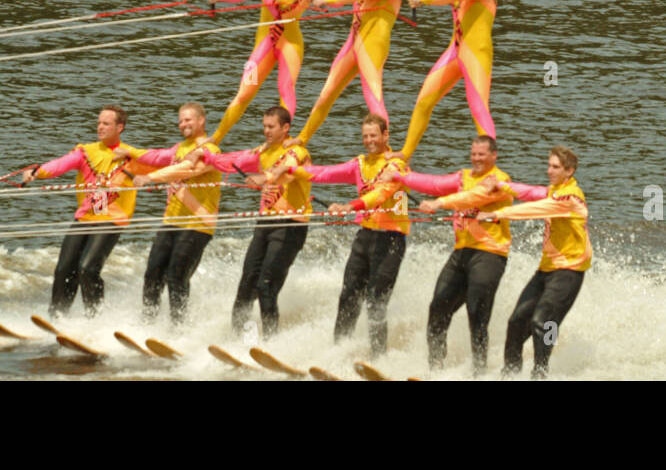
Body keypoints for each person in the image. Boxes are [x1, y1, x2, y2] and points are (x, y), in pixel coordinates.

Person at [184, 106, 313, 338]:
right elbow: (232, 161)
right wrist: (204, 155)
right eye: (264, 126)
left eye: (271, 127)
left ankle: (270, 342)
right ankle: (238, 340)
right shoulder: (262, 152)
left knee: (266, 287)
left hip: (291, 225)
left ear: (286, 128)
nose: (266, 131)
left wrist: (264, 177)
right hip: (265, 224)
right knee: (245, 287)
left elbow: (286, 171)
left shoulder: (297, 152)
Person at [400, 136, 517, 373]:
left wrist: (439, 203)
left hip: (489, 254)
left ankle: (479, 372)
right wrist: (399, 177)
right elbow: (433, 183)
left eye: (481, 155)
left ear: (494, 156)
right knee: (438, 308)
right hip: (462, 252)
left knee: (477, 313)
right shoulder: (463, 176)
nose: (476, 159)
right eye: (473, 154)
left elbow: (472, 198)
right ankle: (435, 367)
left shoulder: (499, 181)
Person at [20, 105, 150, 317]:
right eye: (99, 122)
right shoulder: (86, 152)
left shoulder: (131, 157)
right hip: (86, 218)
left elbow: (163, 168)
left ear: (120, 127)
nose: (100, 127)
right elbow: (60, 164)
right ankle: (56, 318)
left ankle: (94, 319)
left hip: (112, 220)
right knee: (64, 270)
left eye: (106, 124)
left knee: (88, 268)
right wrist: (37, 172)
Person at [306, 114, 411, 356]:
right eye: (365, 136)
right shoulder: (360, 163)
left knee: (376, 302)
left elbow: (380, 195)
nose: (369, 140)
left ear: (386, 135)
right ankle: (339, 352)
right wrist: (291, 171)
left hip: (391, 239)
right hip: (365, 236)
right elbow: (324, 174)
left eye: (374, 135)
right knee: (348, 296)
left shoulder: (397, 166)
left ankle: (378, 359)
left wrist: (349, 207)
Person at [118, 102, 223, 325]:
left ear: (201, 121)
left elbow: (186, 169)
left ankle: (178, 329)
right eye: (180, 120)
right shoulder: (179, 148)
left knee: (177, 277)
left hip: (197, 224)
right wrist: (129, 151)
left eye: (188, 119)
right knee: (152, 275)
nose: (183, 124)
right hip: (171, 222)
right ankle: (147, 324)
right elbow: (155, 157)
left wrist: (151, 178)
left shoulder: (210, 150)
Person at [491, 146, 591, 378]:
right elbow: (530, 193)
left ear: (569, 171)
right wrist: (501, 185)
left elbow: (536, 208)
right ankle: (510, 374)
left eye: (555, 167)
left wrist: (498, 214)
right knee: (516, 322)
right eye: (549, 165)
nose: (549, 171)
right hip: (546, 270)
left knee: (545, 322)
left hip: (570, 272)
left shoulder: (571, 197)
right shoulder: (555, 191)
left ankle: (541, 373)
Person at [394, 0, 496, 162]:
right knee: (424, 101)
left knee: (479, 109)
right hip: (455, 53)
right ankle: (405, 154)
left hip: (476, 56)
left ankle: (490, 166)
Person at [297, 0, 403, 145]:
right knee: (326, 93)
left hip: (372, 46)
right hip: (352, 45)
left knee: (373, 97)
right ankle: (301, 140)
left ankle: (386, 151)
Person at [207, 0, 313, 145]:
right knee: (244, 92)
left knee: (286, 88)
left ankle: (283, 141)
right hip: (264, 45)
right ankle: (216, 138)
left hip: (291, 45)